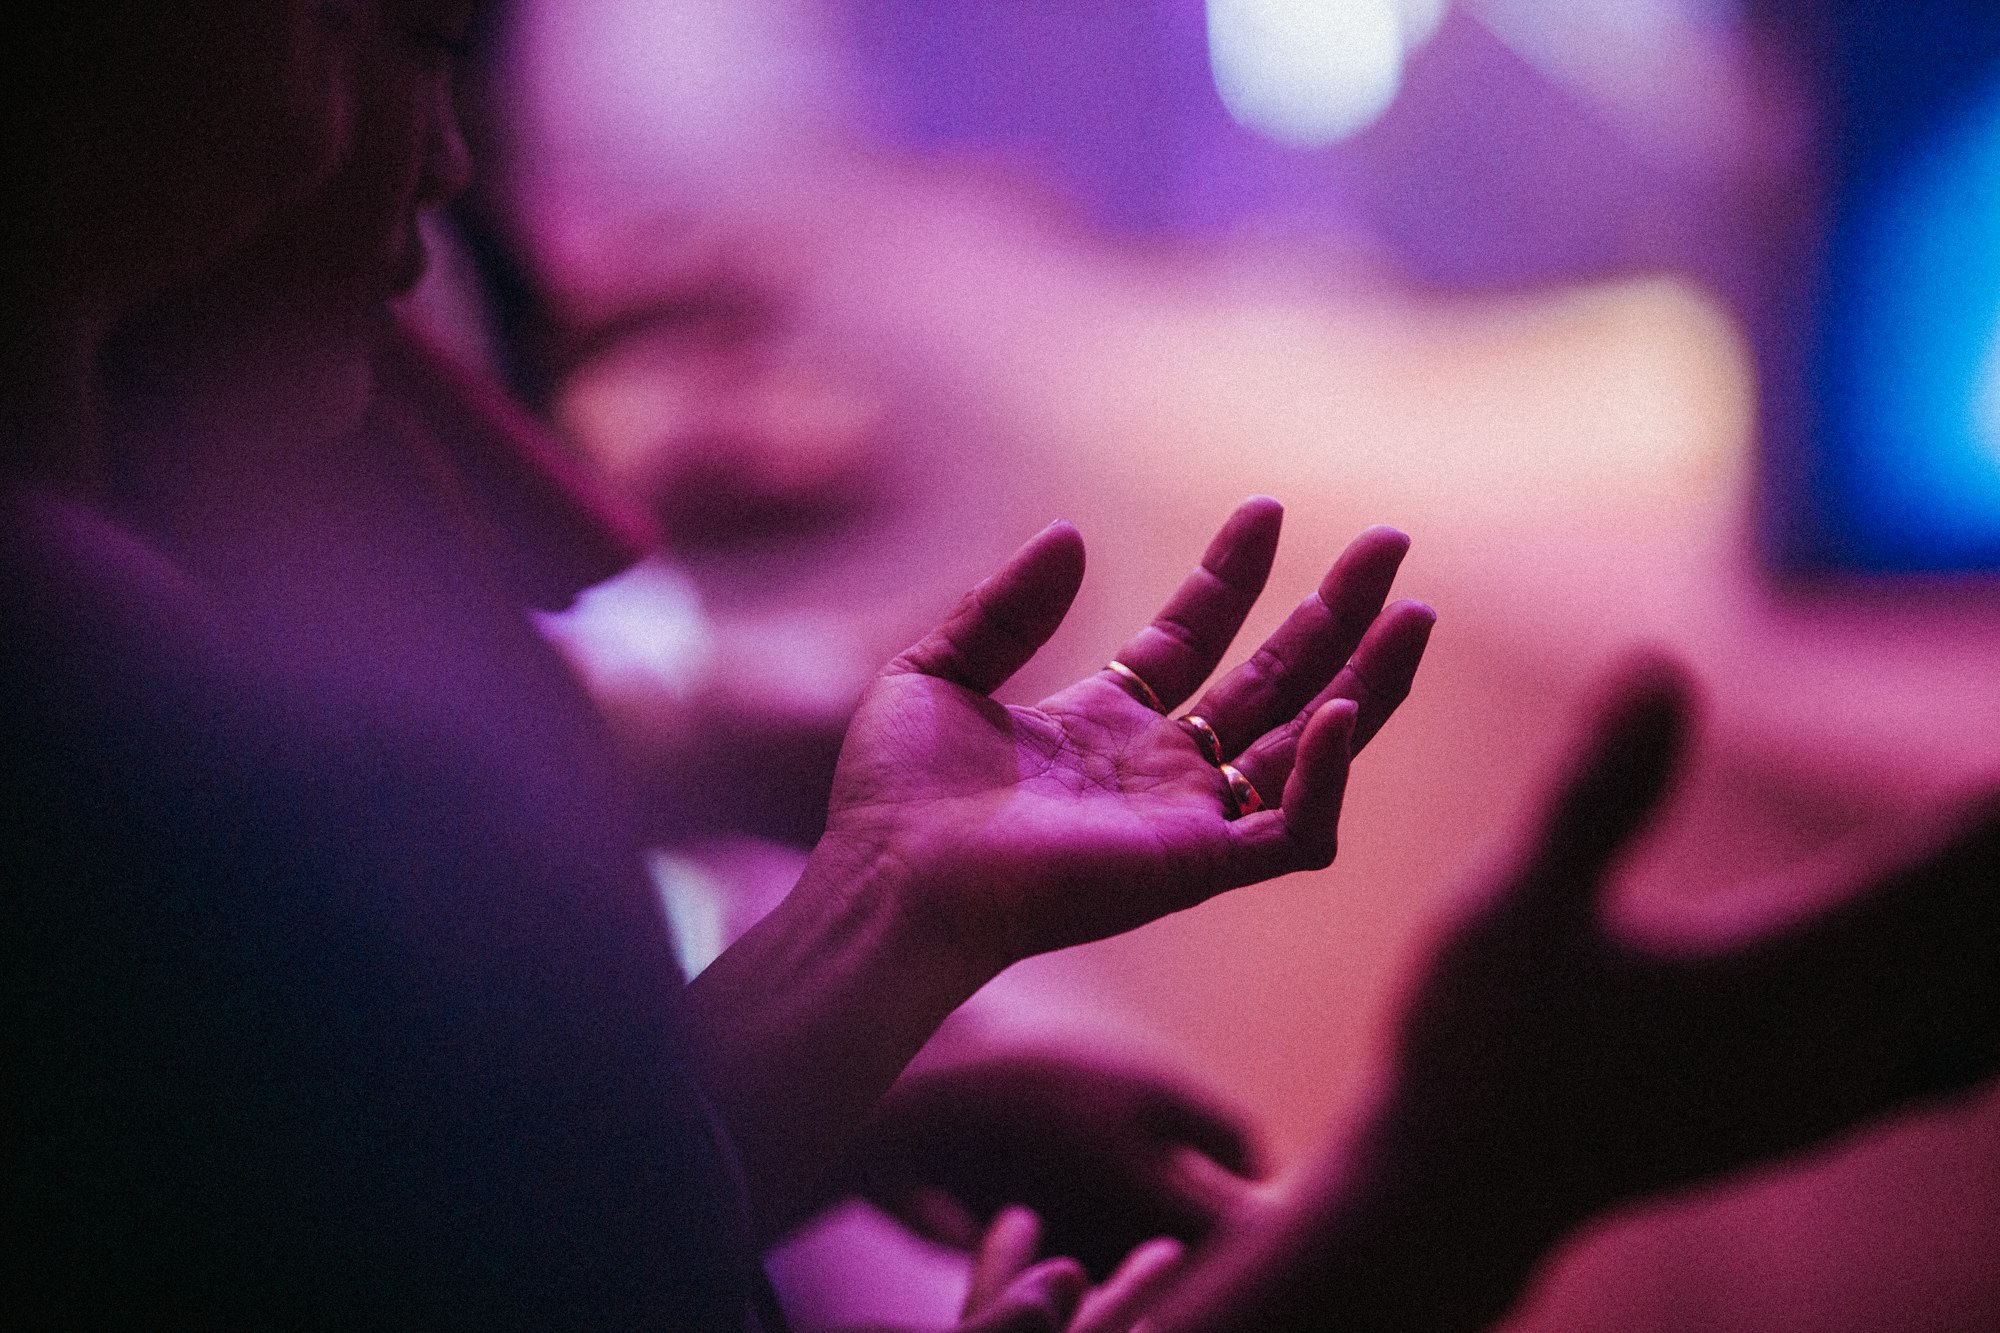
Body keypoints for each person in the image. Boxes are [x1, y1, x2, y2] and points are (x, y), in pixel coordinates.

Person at [3, 1, 1434, 1326]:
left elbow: (447, 1228)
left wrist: (890, 906)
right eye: (388, 25)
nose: (443, 159)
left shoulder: (135, 625)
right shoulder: (103, 705)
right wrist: (1444, 1189)